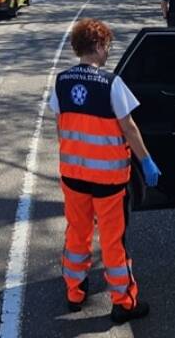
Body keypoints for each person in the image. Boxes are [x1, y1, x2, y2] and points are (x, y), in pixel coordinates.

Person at [51, 19, 158, 324]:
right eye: (107, 46)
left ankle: (74, 293)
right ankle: (123, 302)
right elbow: (129, 127)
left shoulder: (61, 82)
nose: (108, 52)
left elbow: (60, 126)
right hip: (109, 180)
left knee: (77, 233)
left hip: (73, 175)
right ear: (97, 46)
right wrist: (147, 160)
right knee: (113, 242)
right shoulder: (112, 84)